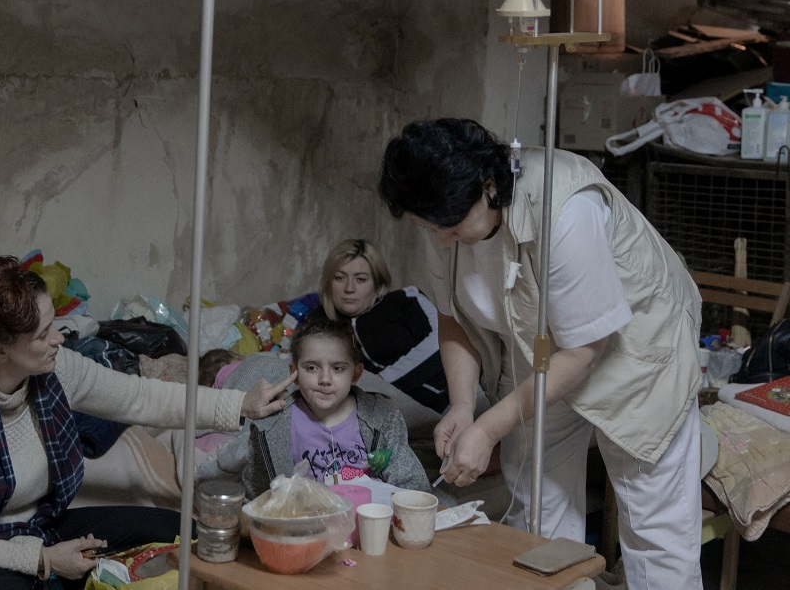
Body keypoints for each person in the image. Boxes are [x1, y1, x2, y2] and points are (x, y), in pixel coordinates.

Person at [378, 118, 703, 590]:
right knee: (537, 516)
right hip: (541, 358)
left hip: (636, 355)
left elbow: (585, 349)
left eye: (449, 226)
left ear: (489, 187)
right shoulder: (442, 220)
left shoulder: (566, 208)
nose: (442, 238)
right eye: (431, 228)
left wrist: (490, 427)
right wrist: (464, 406)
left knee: (656, 531)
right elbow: (452, 318)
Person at [0, 255, 294, 590]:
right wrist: (42, 560)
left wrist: (240, 405)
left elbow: (138, 397)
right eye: (43, 333)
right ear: (0, 349)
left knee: (176, 528)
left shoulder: (54, 370)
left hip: (35, 526)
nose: (59, 338)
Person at [242, 312, 431, 498]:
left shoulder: (381, 419)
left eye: (338, 368)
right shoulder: (274, 425)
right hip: (306, 520)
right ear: (294, 374)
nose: (325, 379)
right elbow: (259, 495)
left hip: (372, 518)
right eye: (312, 368)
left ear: (355, 374)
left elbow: (412, 487)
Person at [312, 238, 449, 413]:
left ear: (378, 283)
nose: (349, 288)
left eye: (360, 279)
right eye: (339, 278)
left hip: (452, 400)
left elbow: (442, 341)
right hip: (382, 413)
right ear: (328, 283)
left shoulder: (405, 301)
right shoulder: (318, 321)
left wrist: (382, 381)